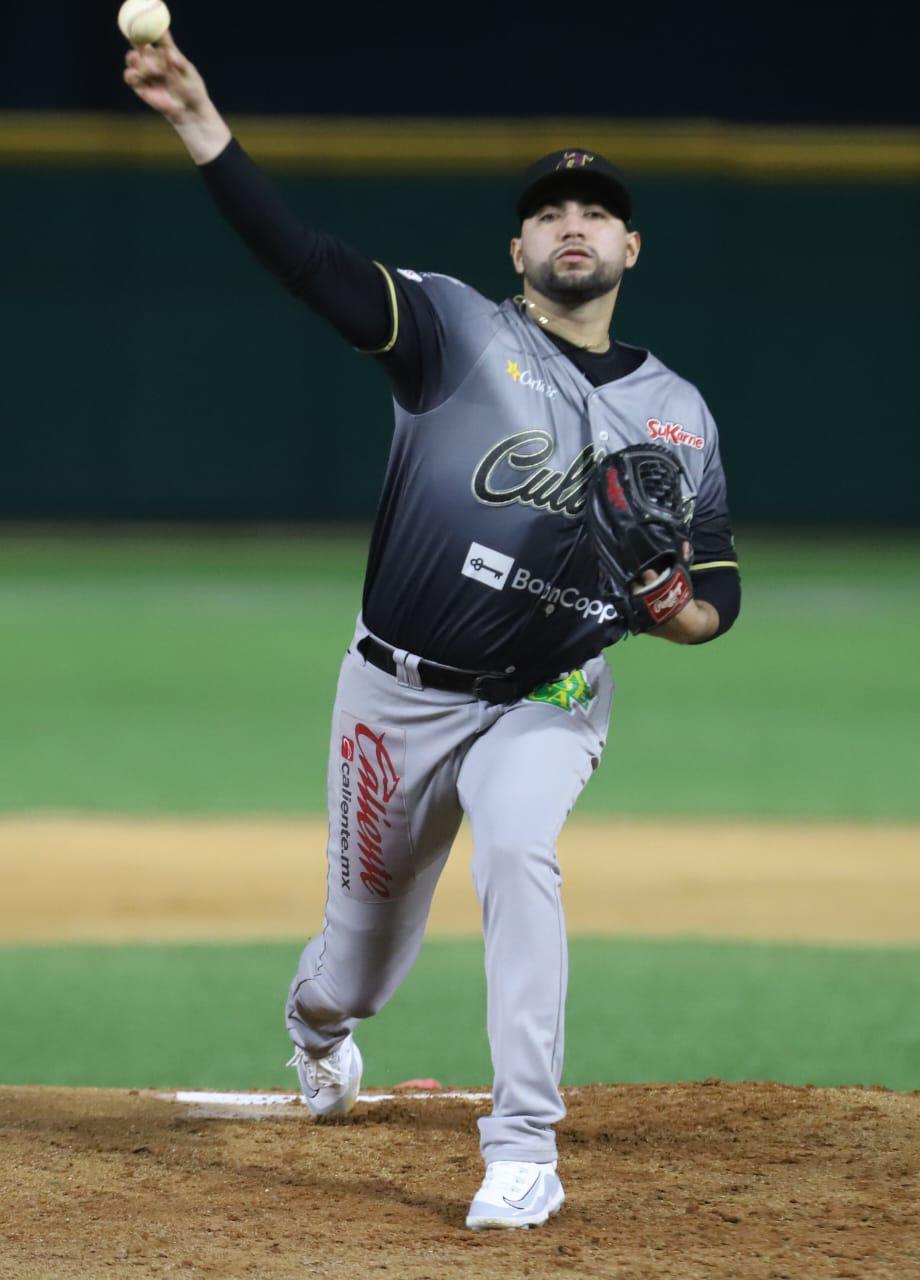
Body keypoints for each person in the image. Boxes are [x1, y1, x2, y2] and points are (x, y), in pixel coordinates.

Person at [124, 33, 741, 1232]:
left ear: (628, 248)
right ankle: (318, 1033)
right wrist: (203, 125)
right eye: (549, 210)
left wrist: (673, 608)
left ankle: (520, 1145)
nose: (573, 223)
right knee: (355, 965)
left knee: (519, 850)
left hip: (548, 694)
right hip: (394, 694)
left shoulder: (679, 412)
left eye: (596, 212)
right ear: (517, 248)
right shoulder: (453, 331)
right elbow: (305, 263)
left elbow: (715, 592)